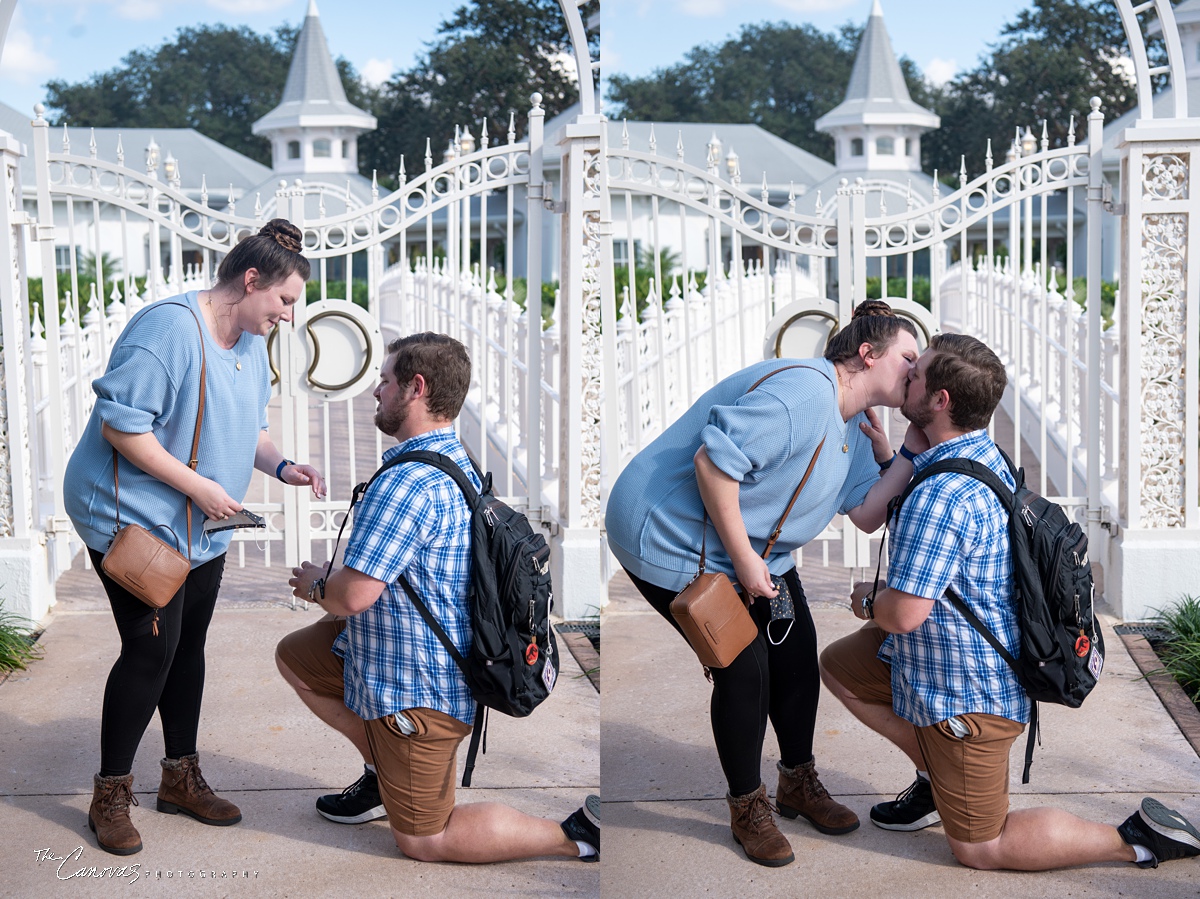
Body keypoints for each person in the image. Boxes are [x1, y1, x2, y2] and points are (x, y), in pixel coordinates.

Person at [820, 332, 1200, 872]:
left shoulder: (942, 494)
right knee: (840, 668)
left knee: (981, 847)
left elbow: (904, 614)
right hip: (941, 658)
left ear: (941, 400)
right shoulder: (979, 453)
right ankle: (935, 777)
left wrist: (869, 601)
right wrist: (895, 452)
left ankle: (1138, 839)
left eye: (917, 372)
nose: (906, 375)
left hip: (966, 696)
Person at [604, 300, 926, 867]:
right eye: (908, 357)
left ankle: (797, 782)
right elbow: (712, 465)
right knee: (744, 667)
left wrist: (900, 454)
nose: (915, 370)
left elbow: (868, 513)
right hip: (667, 532)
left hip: (749, 545)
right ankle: (746, 805)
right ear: (868, 353)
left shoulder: (852, 418)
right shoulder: (803, 393)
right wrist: (744, 563)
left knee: (798, 659)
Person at [278, 332, 600, 864]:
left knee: (425, 839)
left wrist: (317, 582)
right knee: (298, 658)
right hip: (412, 651)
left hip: (416, 689)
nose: (375, 392)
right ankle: (384, 771)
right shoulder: (456, 458)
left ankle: (576, 833)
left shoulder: (405, 482)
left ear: (416, 388)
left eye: (384, 381)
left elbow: (354, 596)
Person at [63, 219, 328, 856]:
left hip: (201, 523)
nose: (290, 317)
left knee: (189, 647)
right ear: (251, 279)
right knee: (151, 651)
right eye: (285, 301)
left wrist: (282, 465)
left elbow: (248, 426)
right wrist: (201, 488)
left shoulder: (246, 339)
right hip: (132, 517)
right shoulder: (169, 332)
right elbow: (122, 431)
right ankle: (110, 795)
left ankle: (180, 777)